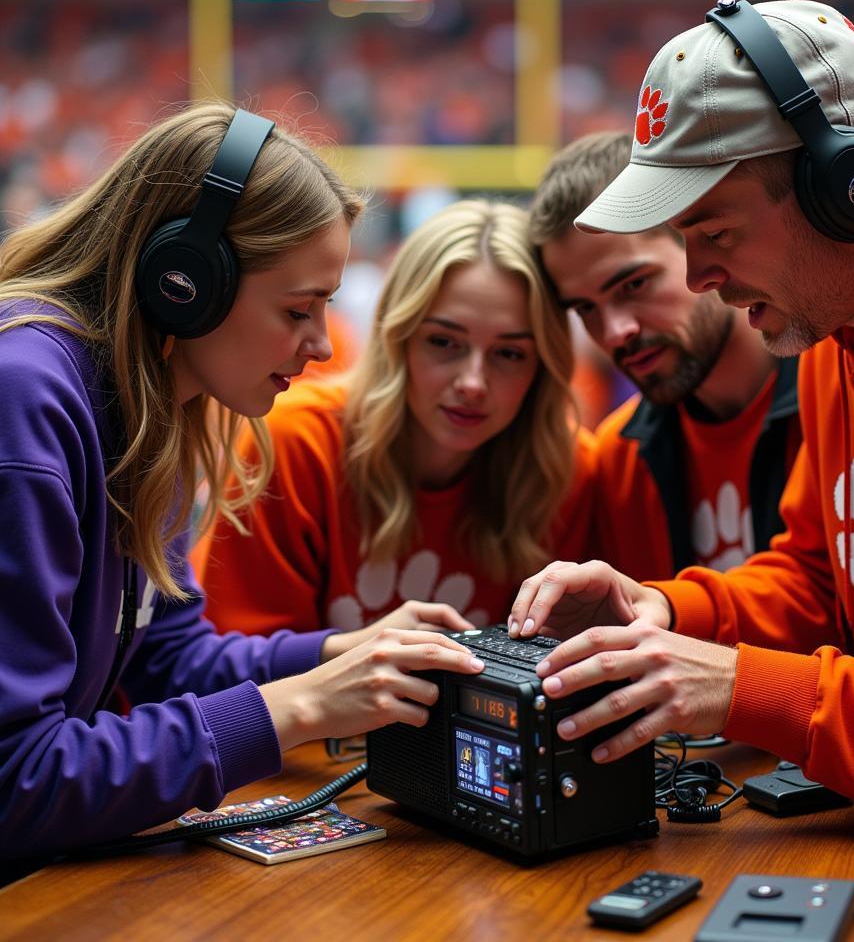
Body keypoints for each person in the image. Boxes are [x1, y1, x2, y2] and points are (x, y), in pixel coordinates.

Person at [507, 0, 854, 843]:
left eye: (712, 231)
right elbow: (823, 581)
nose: (698, 275)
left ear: (846, 189)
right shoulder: (835, 315)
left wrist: (737, 685)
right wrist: (667, 616)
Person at [0, 102, 484, 867]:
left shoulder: (154, 403)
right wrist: (299, 707)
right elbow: (14, 779)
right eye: (298, 309)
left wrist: (342, 655)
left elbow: (167, 663)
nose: (322, 345)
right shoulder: (25, 398)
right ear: (184, 282)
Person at [193, 199, 596, 636]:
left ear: (543, 367)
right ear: (396, 337)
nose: (473, 383)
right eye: (444, 342)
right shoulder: (295, 442)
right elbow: (232, 672)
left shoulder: (567, 470)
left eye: (509, 353)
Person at [529, 131, 800, 579]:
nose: (615, 332)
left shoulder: (839, 397)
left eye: (634, 285)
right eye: (584, 308)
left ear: (702, 241)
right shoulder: (619, 461)